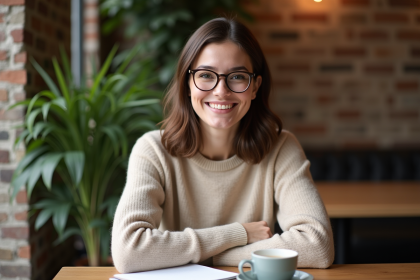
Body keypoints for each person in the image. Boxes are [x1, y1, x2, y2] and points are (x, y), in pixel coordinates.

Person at [111, 17, 334, 273]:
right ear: (187, 84)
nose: (221, 91)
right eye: (206, 75)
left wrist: (200, 255)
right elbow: (129, 251)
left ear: (255, 88)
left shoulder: (281, 147)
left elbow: (317, 246)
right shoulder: (152, 150)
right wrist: (239, 233)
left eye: (237, 77)